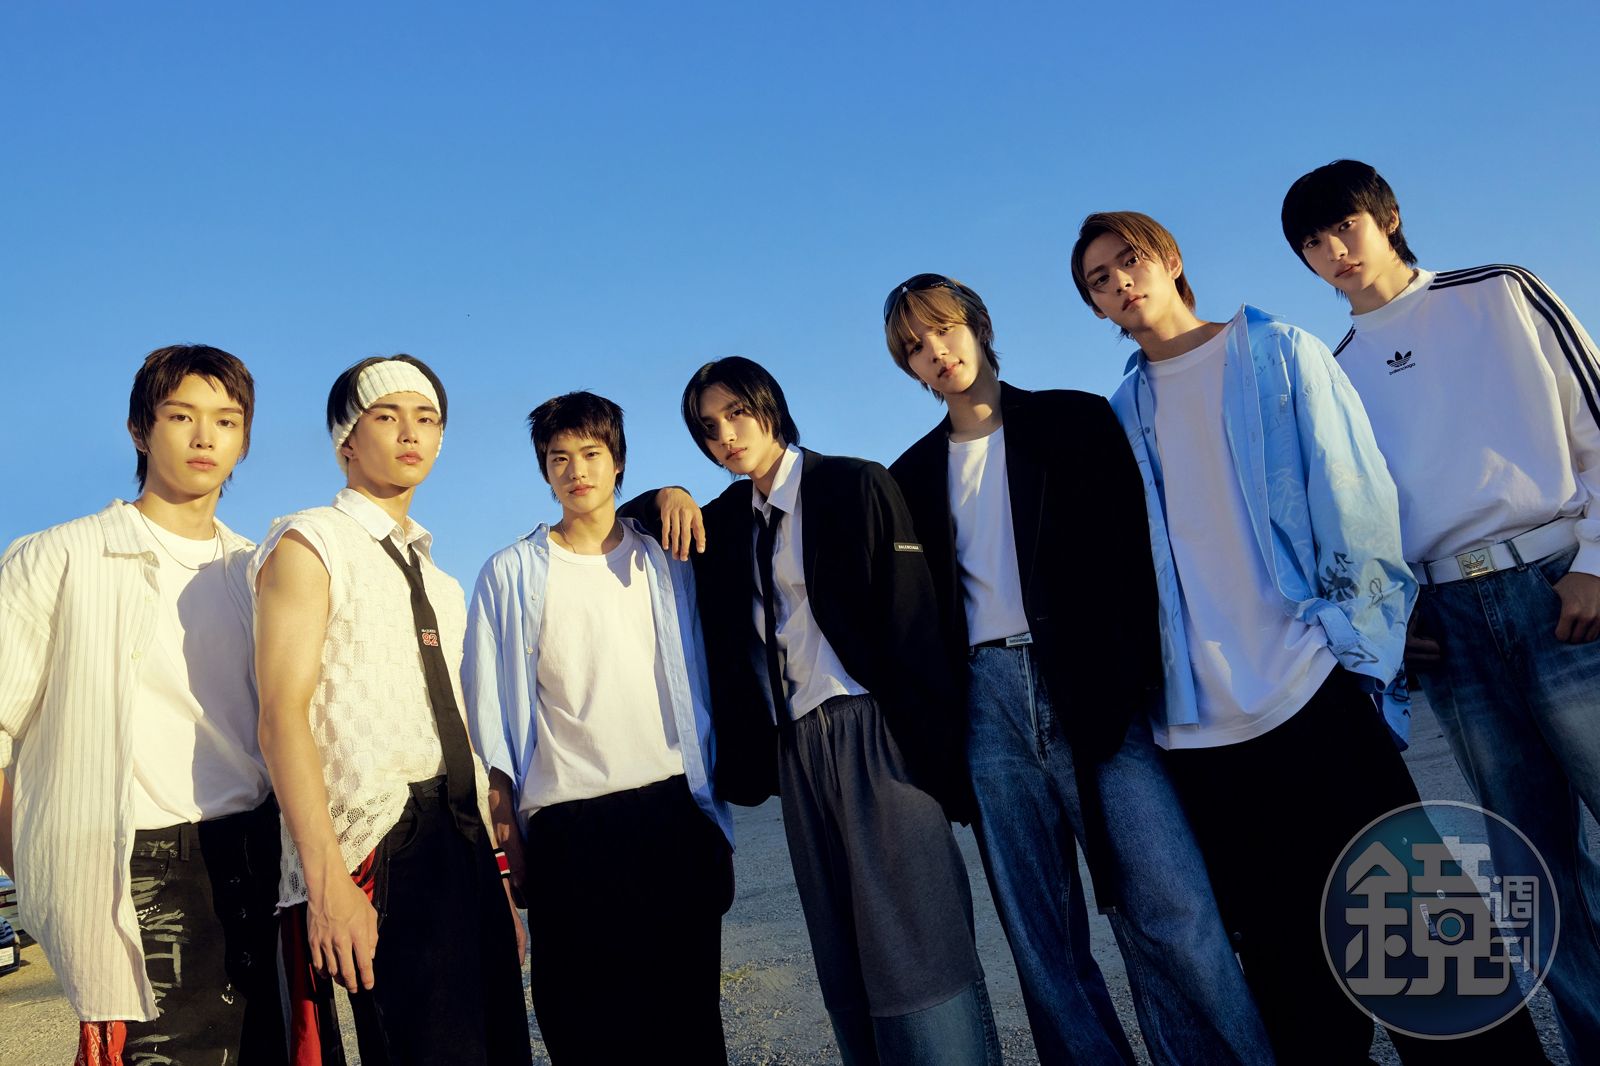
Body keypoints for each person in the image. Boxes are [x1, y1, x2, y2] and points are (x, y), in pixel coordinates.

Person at [1071, 211, 1543, 1063]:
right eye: (1098, 281)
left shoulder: (1278, 352)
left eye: (1128, 261)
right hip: (1202, 732)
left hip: (1311, 688)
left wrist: (1362, 647)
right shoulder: (1117, 415)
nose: (1119, 284)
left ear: (1170, 259)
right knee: (1293, 979)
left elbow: (1354, 494)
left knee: (1419, 946)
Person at [882, 274, 1272, 1065]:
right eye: (916, 347)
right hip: (986, 707)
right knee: (1042, 940)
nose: (936, 352)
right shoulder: (909, 475)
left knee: (1173, 908)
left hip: (1092, 692)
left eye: (944, 329)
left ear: (978, 325)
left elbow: (1135, 561)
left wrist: (1131, 684)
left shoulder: (1074, 420)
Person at [1282, 158, 1600, 1059]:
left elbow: (1596, 422)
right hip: (1451, 626)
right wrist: (1401, 615)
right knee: (1532, 865)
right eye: (1311, 242)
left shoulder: (1499, 293)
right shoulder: (1334, 374)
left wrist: (1596, 563)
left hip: (1560, 584)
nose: (1333, 250)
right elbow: (1355, 517)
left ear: (1386, 216)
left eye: (1344, 225)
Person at [628, 356, 999, 1065]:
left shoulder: (855, 484)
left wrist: (936, 761)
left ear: (770, 405)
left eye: (737, 413)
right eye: (708, 427)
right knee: (842, 951)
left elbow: (915, 624)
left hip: (875, 731)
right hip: (796, 749)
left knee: (918, 943)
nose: (725, 436)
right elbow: (628, 522)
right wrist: (664, 494)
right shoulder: (724, 522)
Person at [0, 345, 285, 1065]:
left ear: (245, 439)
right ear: (138, 428)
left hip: (257, 857)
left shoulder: (258, 571)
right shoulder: (60, 556)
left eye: (226, 420)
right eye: (181, 416)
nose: (204, 437)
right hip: (139, 867)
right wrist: (47, 884)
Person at [253, 355, 531, 1066]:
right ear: (347, 439)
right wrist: (327, 884)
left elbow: (460, 730)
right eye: (387, 416)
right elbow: (280, 715)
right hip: (381, 837)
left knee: (501, 1049)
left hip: (463, 836)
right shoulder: (310, 541)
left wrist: (495, 878)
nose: (411, 432)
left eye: (427, 418)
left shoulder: (441, 580)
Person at [462, 391, 734, 1063]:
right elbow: (487, 713)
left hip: (673, 812)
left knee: (689, 1031)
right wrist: (505, 828)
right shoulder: (508, 574)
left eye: (591, 453)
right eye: (559, 458)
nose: (576, 470)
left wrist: (670, 493)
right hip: (569, 829)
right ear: (545, 471)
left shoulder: (666, 558)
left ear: (618, 463)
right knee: (584, 1030)